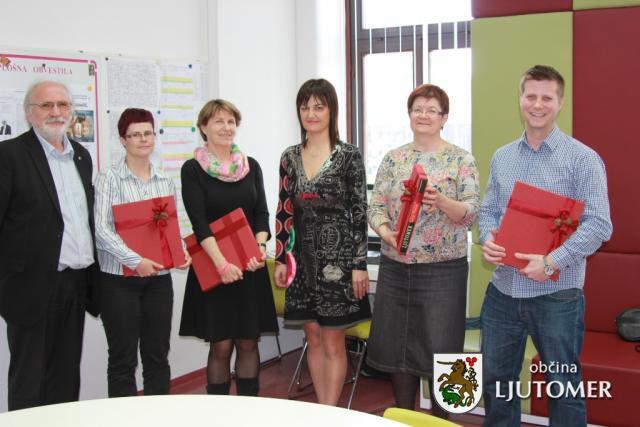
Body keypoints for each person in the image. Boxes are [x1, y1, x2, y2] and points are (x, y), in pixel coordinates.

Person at [479, 65, 612, 426]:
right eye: (531, 96)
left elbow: (600, 224)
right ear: (520, 99)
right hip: (503, 291)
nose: (538, 105)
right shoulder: (503, 156)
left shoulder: (583, 158)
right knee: (496, 383)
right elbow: (488, 211)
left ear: (560, 102)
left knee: (563, 388)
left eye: (546, 98)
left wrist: (551, 261)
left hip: (557, 296)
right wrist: (488, 238)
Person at [366, 83, 480, 416]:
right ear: (409, 115)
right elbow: (376, 206)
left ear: (444, 118)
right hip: (396, 265)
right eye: (418, 109)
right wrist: (385, 232)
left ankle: (443, 421)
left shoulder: (461, 159)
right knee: (399, 348)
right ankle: (405, 416)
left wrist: (442, 201)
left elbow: (471, 211)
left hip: (443, 270)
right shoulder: (393, 158)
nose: (424, 115)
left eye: (432, 110)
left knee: (443, 351)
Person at [274, 78, 371, 406]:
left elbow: (359, 211)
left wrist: (359, 264)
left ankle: (330, 413)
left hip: (338, 263)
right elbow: (284, 210)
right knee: (312, 338)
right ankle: (321, 410)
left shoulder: (348, 156)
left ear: (331, 111)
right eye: (305, 107)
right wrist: (281, 258)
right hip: (301, 261)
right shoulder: (289, 157)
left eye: (319, 106)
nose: (311, 114)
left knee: (332, 341)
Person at [0, 80, 96, 410]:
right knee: (29, 379)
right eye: (46, 105)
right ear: (29, 113)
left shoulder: (81, 156)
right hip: (30, 287)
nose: (56, 112)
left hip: (75, 283)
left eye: (62, 105)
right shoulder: (9, 155)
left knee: (66, 375)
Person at [179, 99, 277, 396]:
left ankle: (248, 409)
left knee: (248, 342)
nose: (226, 127)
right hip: (215, 266)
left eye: (231, 121)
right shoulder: (193, 169)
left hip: (249, 266)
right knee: (220, 345)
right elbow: (199, 222)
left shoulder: (251, 166)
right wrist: (222, 264)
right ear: (203, 128)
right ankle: (218, 412)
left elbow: (261, 212)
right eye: (218, 121)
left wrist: (259, 248)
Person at [94, 108, 191, 397]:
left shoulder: (164, 180)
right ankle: (123, 417)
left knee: (157, 355)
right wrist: (136, 261)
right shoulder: (109, 178)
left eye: (148, 133)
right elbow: (101, 230)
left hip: (158, 281)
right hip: (119, 282)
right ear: (122, 140)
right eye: (135, 134)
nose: (143, 139)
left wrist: (180, 251)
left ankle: (156, 415)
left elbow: (169, 225)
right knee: (122, 360)